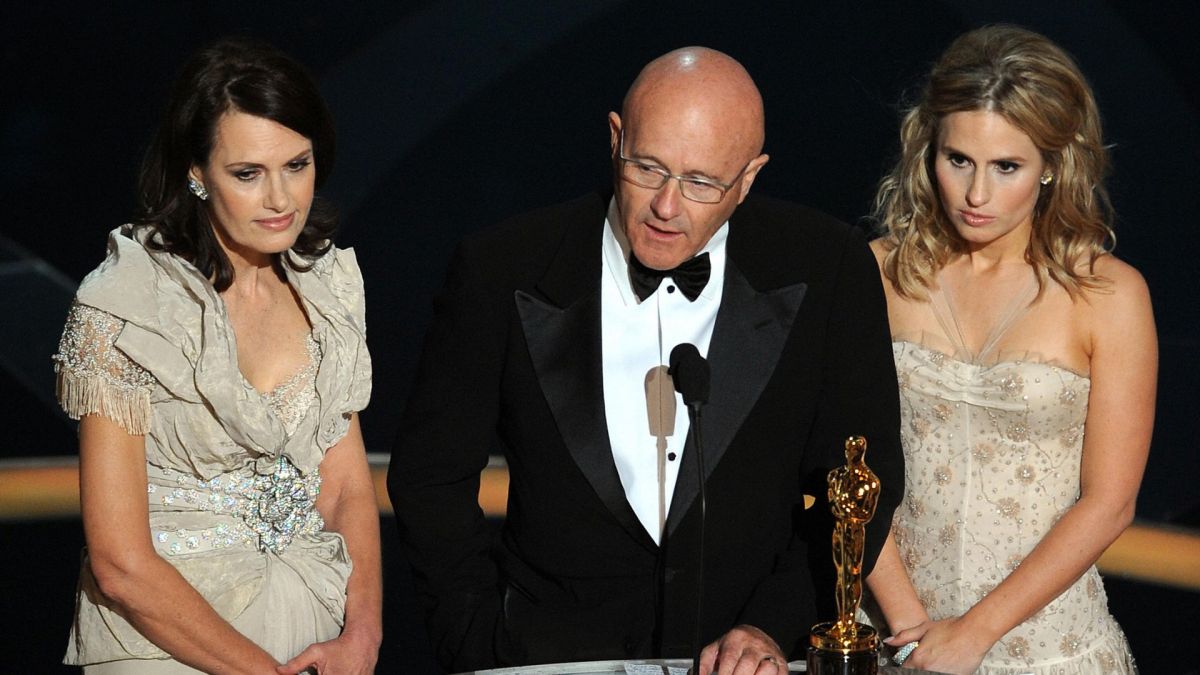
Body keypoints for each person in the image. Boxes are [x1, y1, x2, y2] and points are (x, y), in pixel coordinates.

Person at [389, 46, 904, 673]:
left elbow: (862, 480)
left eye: (701, 182)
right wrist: (478, 641)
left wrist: (771, 625)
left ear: (748, 179)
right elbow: (429, 478)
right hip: (543, 658)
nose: (667, 205)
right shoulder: (503, 268)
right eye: (648, 168)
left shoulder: (826, 268)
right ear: (615, 140)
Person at [53, 37, 380, 674]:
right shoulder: (125, 305)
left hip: (316, 632)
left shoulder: (328, 286)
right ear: (196, 174)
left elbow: (344, 489)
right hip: (167, 643)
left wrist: (362, 635)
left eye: (298, 164)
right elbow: (120, 564)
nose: (281, 199)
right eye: (248, 173)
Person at [864, 25, 1155, 674]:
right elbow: (840, 460)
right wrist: (910, 625)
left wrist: (975, 632)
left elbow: (1109, 502)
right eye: (957, 159)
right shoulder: (874, 274)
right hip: (892, 635)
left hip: (1051, 649)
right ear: (927, 147)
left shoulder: (1110, 294)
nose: (976, 195)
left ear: (1052, 164)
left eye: (1006, 168)